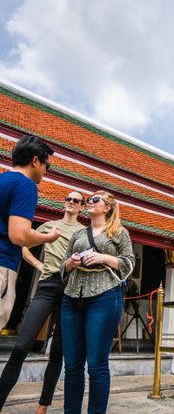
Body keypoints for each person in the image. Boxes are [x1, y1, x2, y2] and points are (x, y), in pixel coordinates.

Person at [0, 191, 85, 413]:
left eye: (76, 200)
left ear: (81, 207)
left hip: (71, 290)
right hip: (47, 286)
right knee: (21, 346)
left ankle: (43, 405)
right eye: (68, 199)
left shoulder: (83, 233)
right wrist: (38, 265)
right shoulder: (50, 225)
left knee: (58, 350)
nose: (70, 202)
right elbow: (24, 245)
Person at [60, 190, 135, 414]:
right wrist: (72, 263)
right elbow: (62, 265)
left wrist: (104, 258)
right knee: (72, 365)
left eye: (95, 200)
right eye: (88, 200)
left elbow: (130, 264)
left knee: (96, 365)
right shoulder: (79, 234)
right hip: (72, 297)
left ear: (107, 207)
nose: (89, 202)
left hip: (104, 297)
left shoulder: (119, 233)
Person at [0, 135, 60, 331]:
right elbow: (19, 235)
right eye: (46, 166)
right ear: (35, 160)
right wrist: (48, 237)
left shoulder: (3, 179)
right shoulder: (26, 185)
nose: (45, 172)